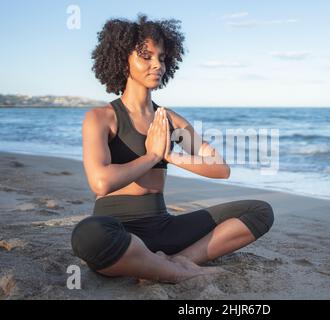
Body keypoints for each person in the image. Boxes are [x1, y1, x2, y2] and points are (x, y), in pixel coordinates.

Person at [71, 14, 274, 283]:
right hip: (116, 229)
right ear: (123, 61)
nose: (157, 65)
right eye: (147, 56)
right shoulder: (101, 117)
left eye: (162, 58)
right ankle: (172, 271)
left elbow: (220, 169)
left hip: (163, 229)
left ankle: (179, 262)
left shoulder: (169, 120)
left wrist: (170, 155)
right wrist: (152, 156)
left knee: (260, 211)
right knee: (87, 234)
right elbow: (100, 182)